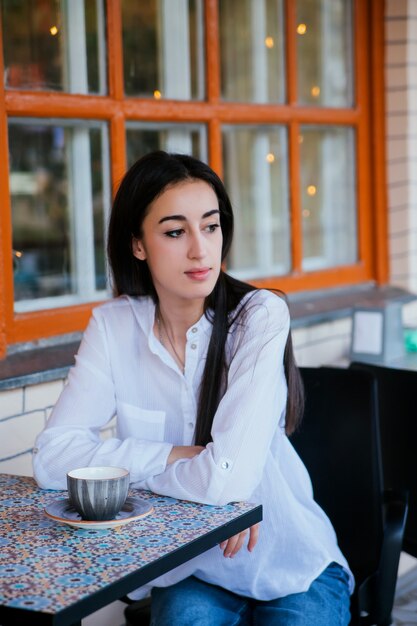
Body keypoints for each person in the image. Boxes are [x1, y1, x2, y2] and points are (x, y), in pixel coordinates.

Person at [33, 151, 353, 625]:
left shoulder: (257, 316)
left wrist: (133, 466)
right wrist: (177, 456)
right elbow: (52, 459)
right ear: (138, 244)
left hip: (291, 562)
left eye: (211, 226)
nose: (201, 250)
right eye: (175, 231)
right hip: (191, 570)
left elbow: (227, 479)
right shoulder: (112, 327)